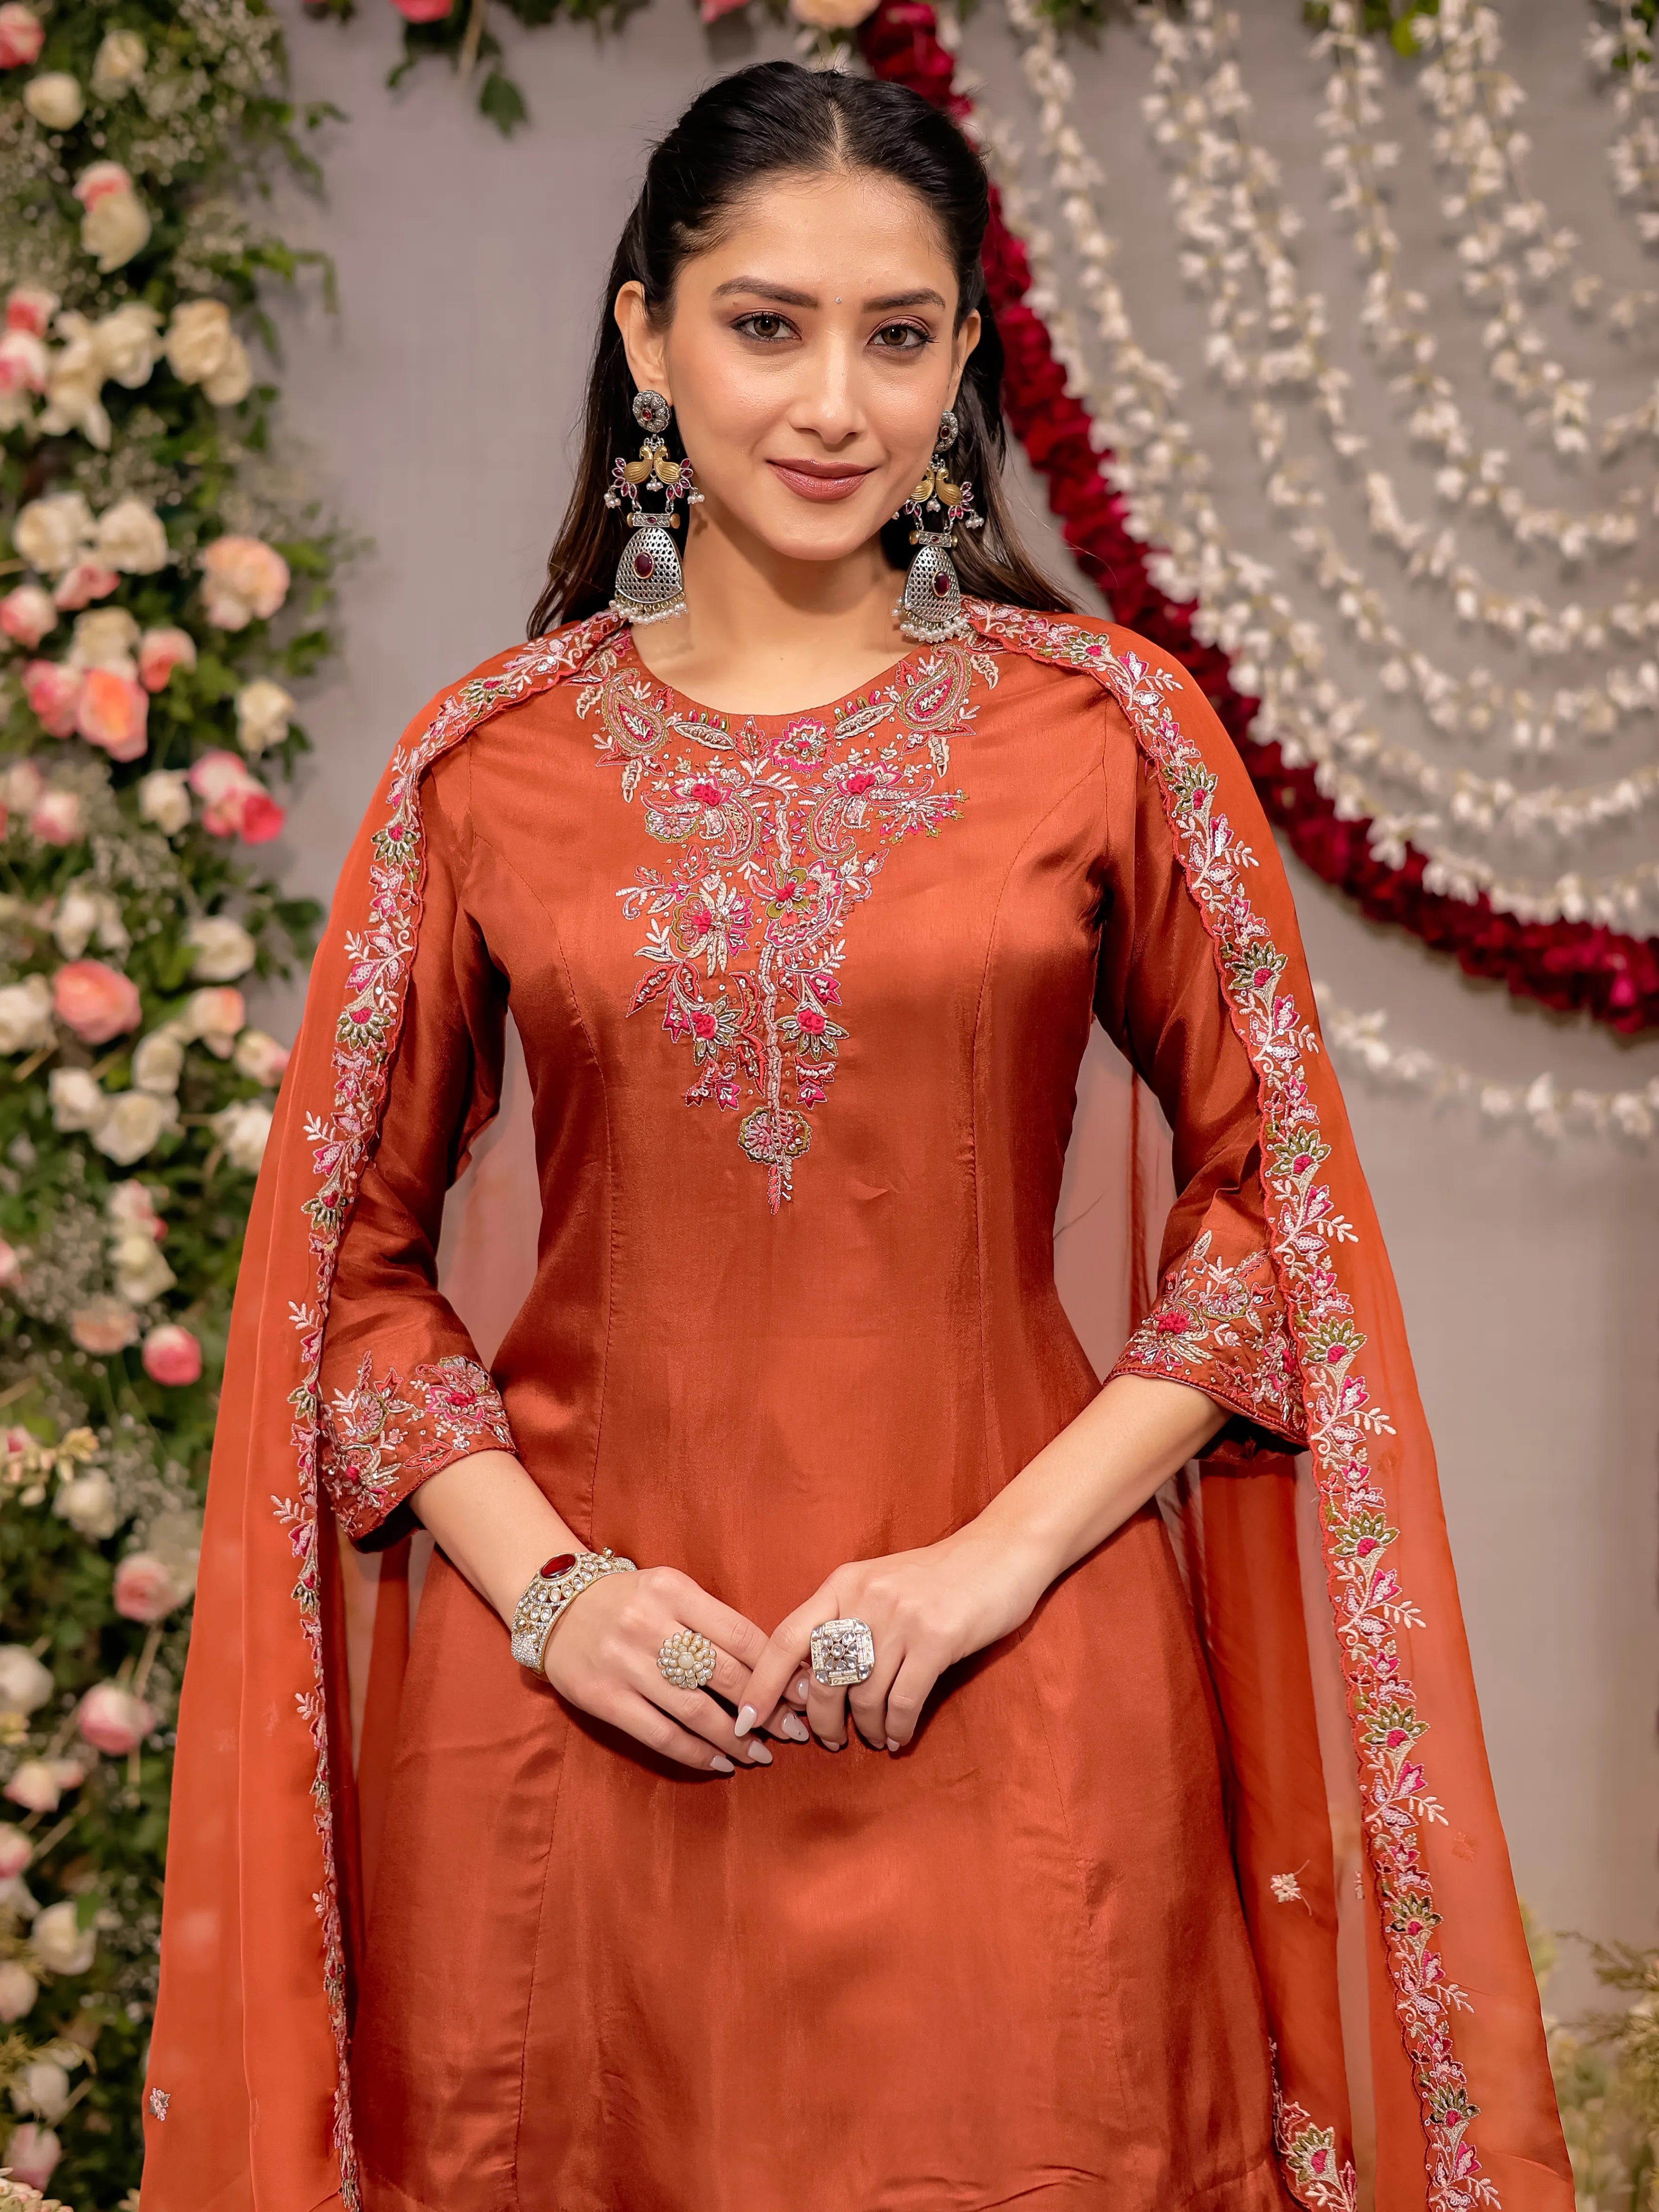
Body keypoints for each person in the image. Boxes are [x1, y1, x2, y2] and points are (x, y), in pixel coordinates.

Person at [142, 59, 1570, 2212]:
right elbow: (342, 1269)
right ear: (646, 337)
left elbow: (1275, 1204)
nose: (832, 403)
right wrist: (555, 1595)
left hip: (1015, 1683)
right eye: (764, 324)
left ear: (962, 358)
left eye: (896, 337)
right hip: (593, 1725)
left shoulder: (1102, 736)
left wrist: (991, 1562)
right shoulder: (486, 767)